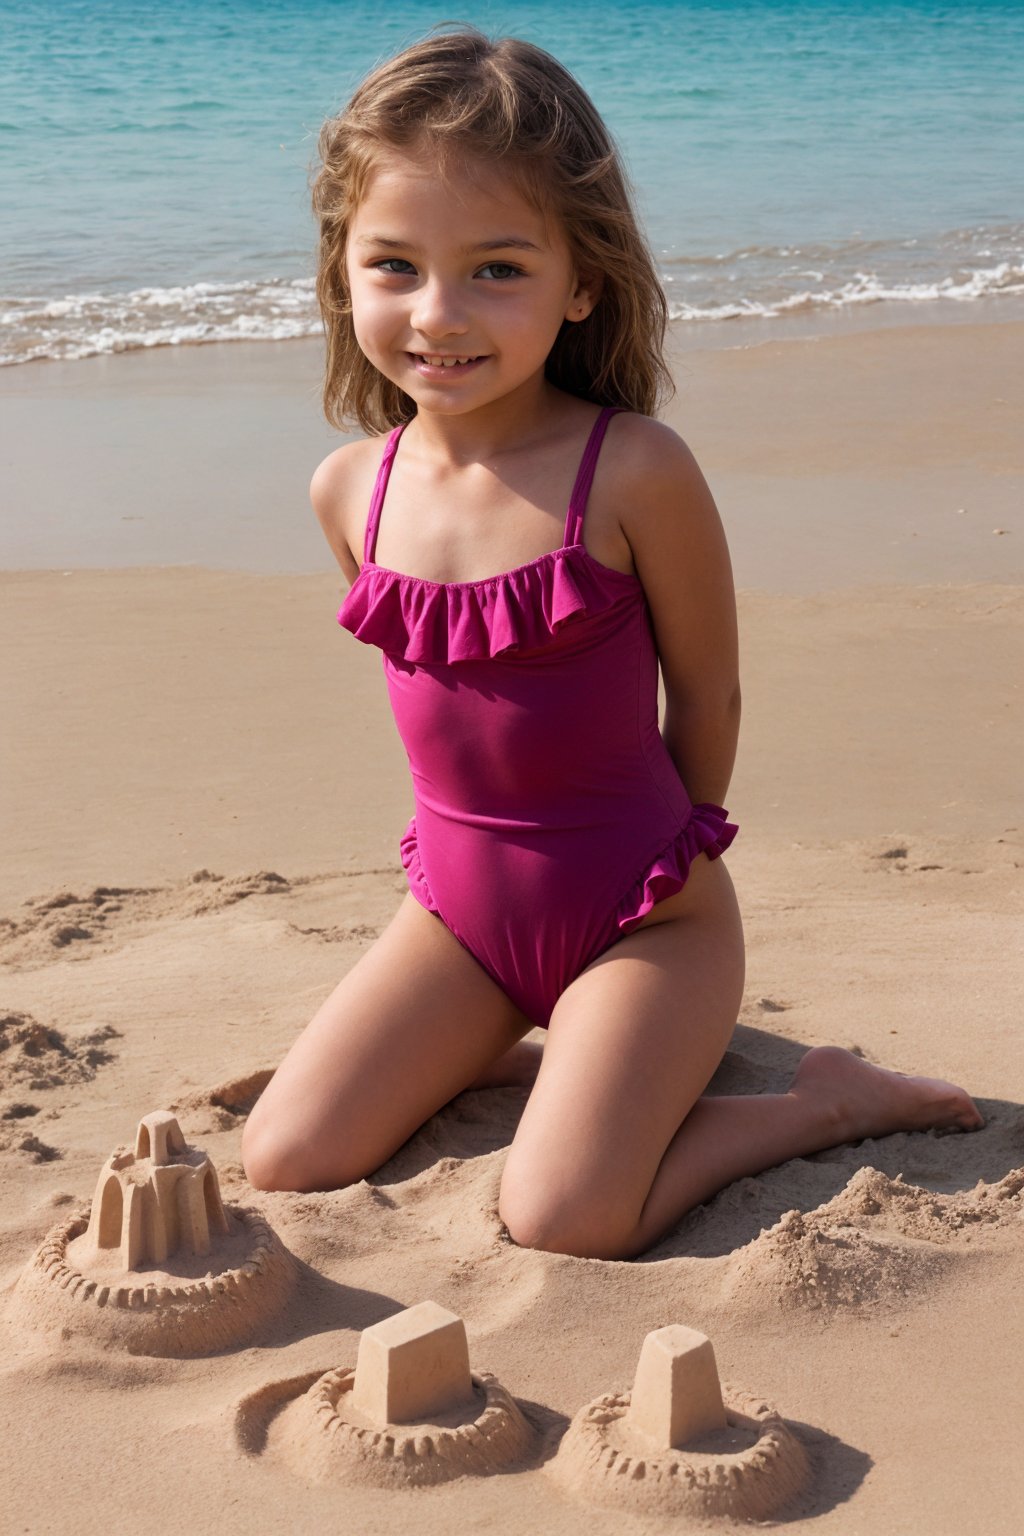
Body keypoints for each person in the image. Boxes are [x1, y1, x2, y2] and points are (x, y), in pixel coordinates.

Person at [241, 30, 982, 1257]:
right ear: (342, 273)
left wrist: (653, 876)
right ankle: (552, 1044)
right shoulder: (347, 491)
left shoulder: (630, 470)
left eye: (494, 269)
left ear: (580, 279)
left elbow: (710, 696)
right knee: (286, 1155)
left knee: (563, 1217)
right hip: (461, 922)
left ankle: (817, 1101)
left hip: (650, 922)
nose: (439, 314)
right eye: (393, 266)